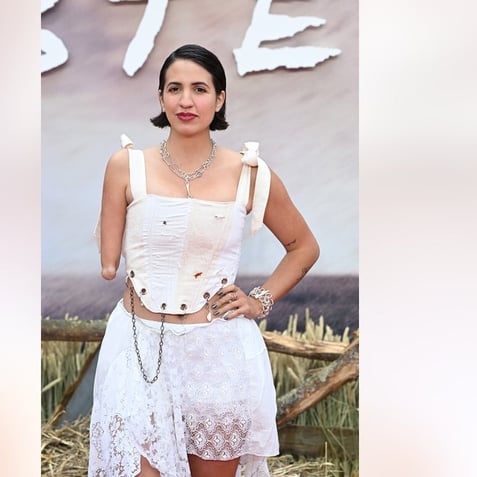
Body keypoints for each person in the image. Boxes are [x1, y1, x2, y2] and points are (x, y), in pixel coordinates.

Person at [88, 44, 320, 477]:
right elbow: (109, 263)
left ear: (220, 98)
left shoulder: (250, 172)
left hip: (217, 355)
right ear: (160, 99)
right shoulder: (126, 166)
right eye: (174, 89)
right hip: (139, 351)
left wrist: (259, 301)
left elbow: (304, 246)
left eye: (199, 89)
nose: (186, 101)